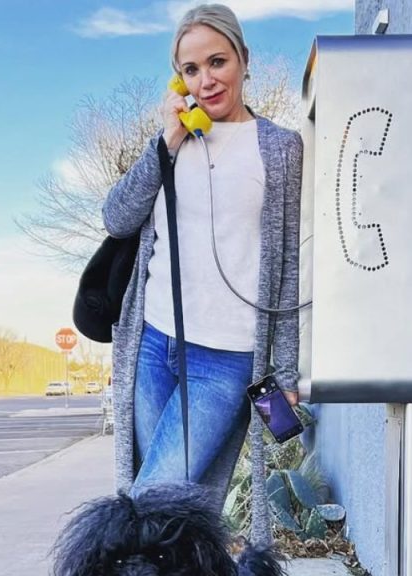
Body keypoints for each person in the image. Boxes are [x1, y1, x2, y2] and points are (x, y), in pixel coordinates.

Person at [103, 3, 303, 545]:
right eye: (191, 70)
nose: (206, 79)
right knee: (176, 520)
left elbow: (288, 270)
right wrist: (165, 142)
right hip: (154, 344)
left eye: (217, 61)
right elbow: (117, 217)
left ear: (243, 59)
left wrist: (283, 374)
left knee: (150, 502)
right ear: (178, 78)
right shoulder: (173, 144)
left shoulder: (280, 148)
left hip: (226, 358)